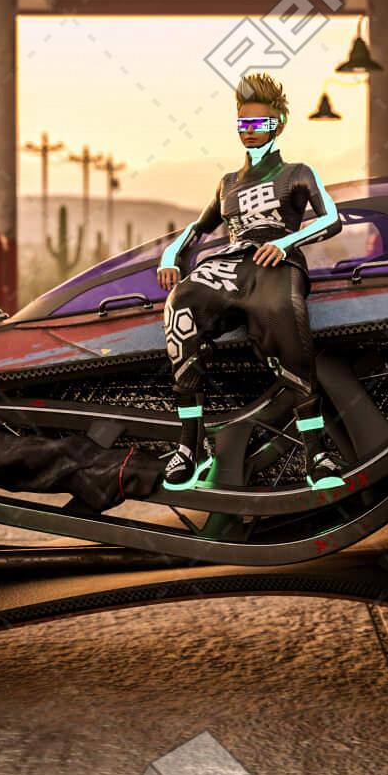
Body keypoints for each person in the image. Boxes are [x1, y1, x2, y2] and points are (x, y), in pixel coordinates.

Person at [153, 72, 345, 491]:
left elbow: (332, 218)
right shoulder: (226, 184)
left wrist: (287, 242)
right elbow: (197, 229)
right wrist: (171, 256)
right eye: (243, 124)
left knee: (285, 320)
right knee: (182, 302)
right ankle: (191, 447)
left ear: (278, 124)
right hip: (230, 263)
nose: (250, 133)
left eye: (259, 124)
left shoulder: (298, 172)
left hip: (276, 262)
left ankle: (317, 452)